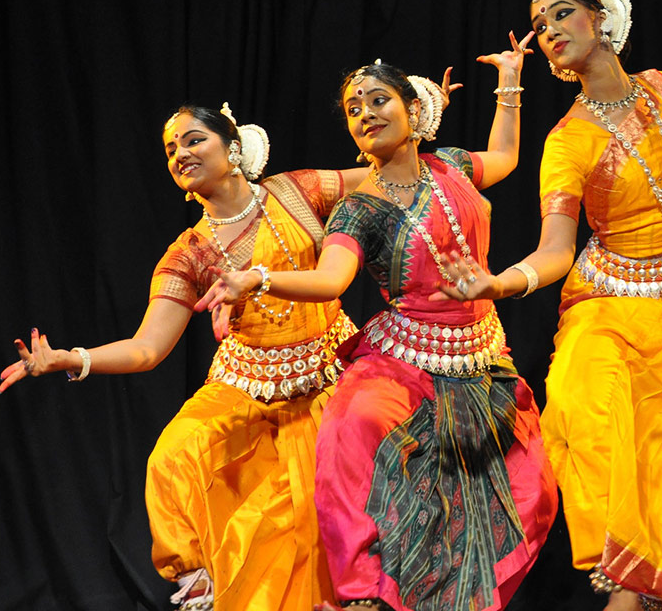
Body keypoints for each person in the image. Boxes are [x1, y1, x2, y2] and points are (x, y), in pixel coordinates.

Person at [430, 0, 662, 611]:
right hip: (608, 302)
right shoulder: (565, 141)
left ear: (601, 17)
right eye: (540, 22)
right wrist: (500, 283)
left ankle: (635, 593)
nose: (551, 27)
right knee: (579, 407)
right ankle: (625, 584)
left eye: (563, 11)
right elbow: (555, 249)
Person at [197, 34, 558, 611]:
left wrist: (510, 81)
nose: (365, 115)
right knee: (351, 430)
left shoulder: (454, 166)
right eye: (353, 110)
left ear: (414, 111)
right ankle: (362, 594)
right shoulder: (358, 207)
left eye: (376, 101)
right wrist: (257, 278)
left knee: (528, 488)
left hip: (480, 360)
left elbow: (509, 156)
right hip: (402, 362)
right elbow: (329, 281)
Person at [1, 103, 367, 610]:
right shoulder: (189, 253)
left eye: (194, 140)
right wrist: (74, 359)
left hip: (329, 382)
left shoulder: (298, 190)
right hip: (245, 389)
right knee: (172, 457)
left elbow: (384, 177)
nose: (180, 154)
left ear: (233, 147)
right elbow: (147, 347)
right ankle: (197, 583)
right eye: (171, 148)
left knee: (306, 530)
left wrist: (417, 122)